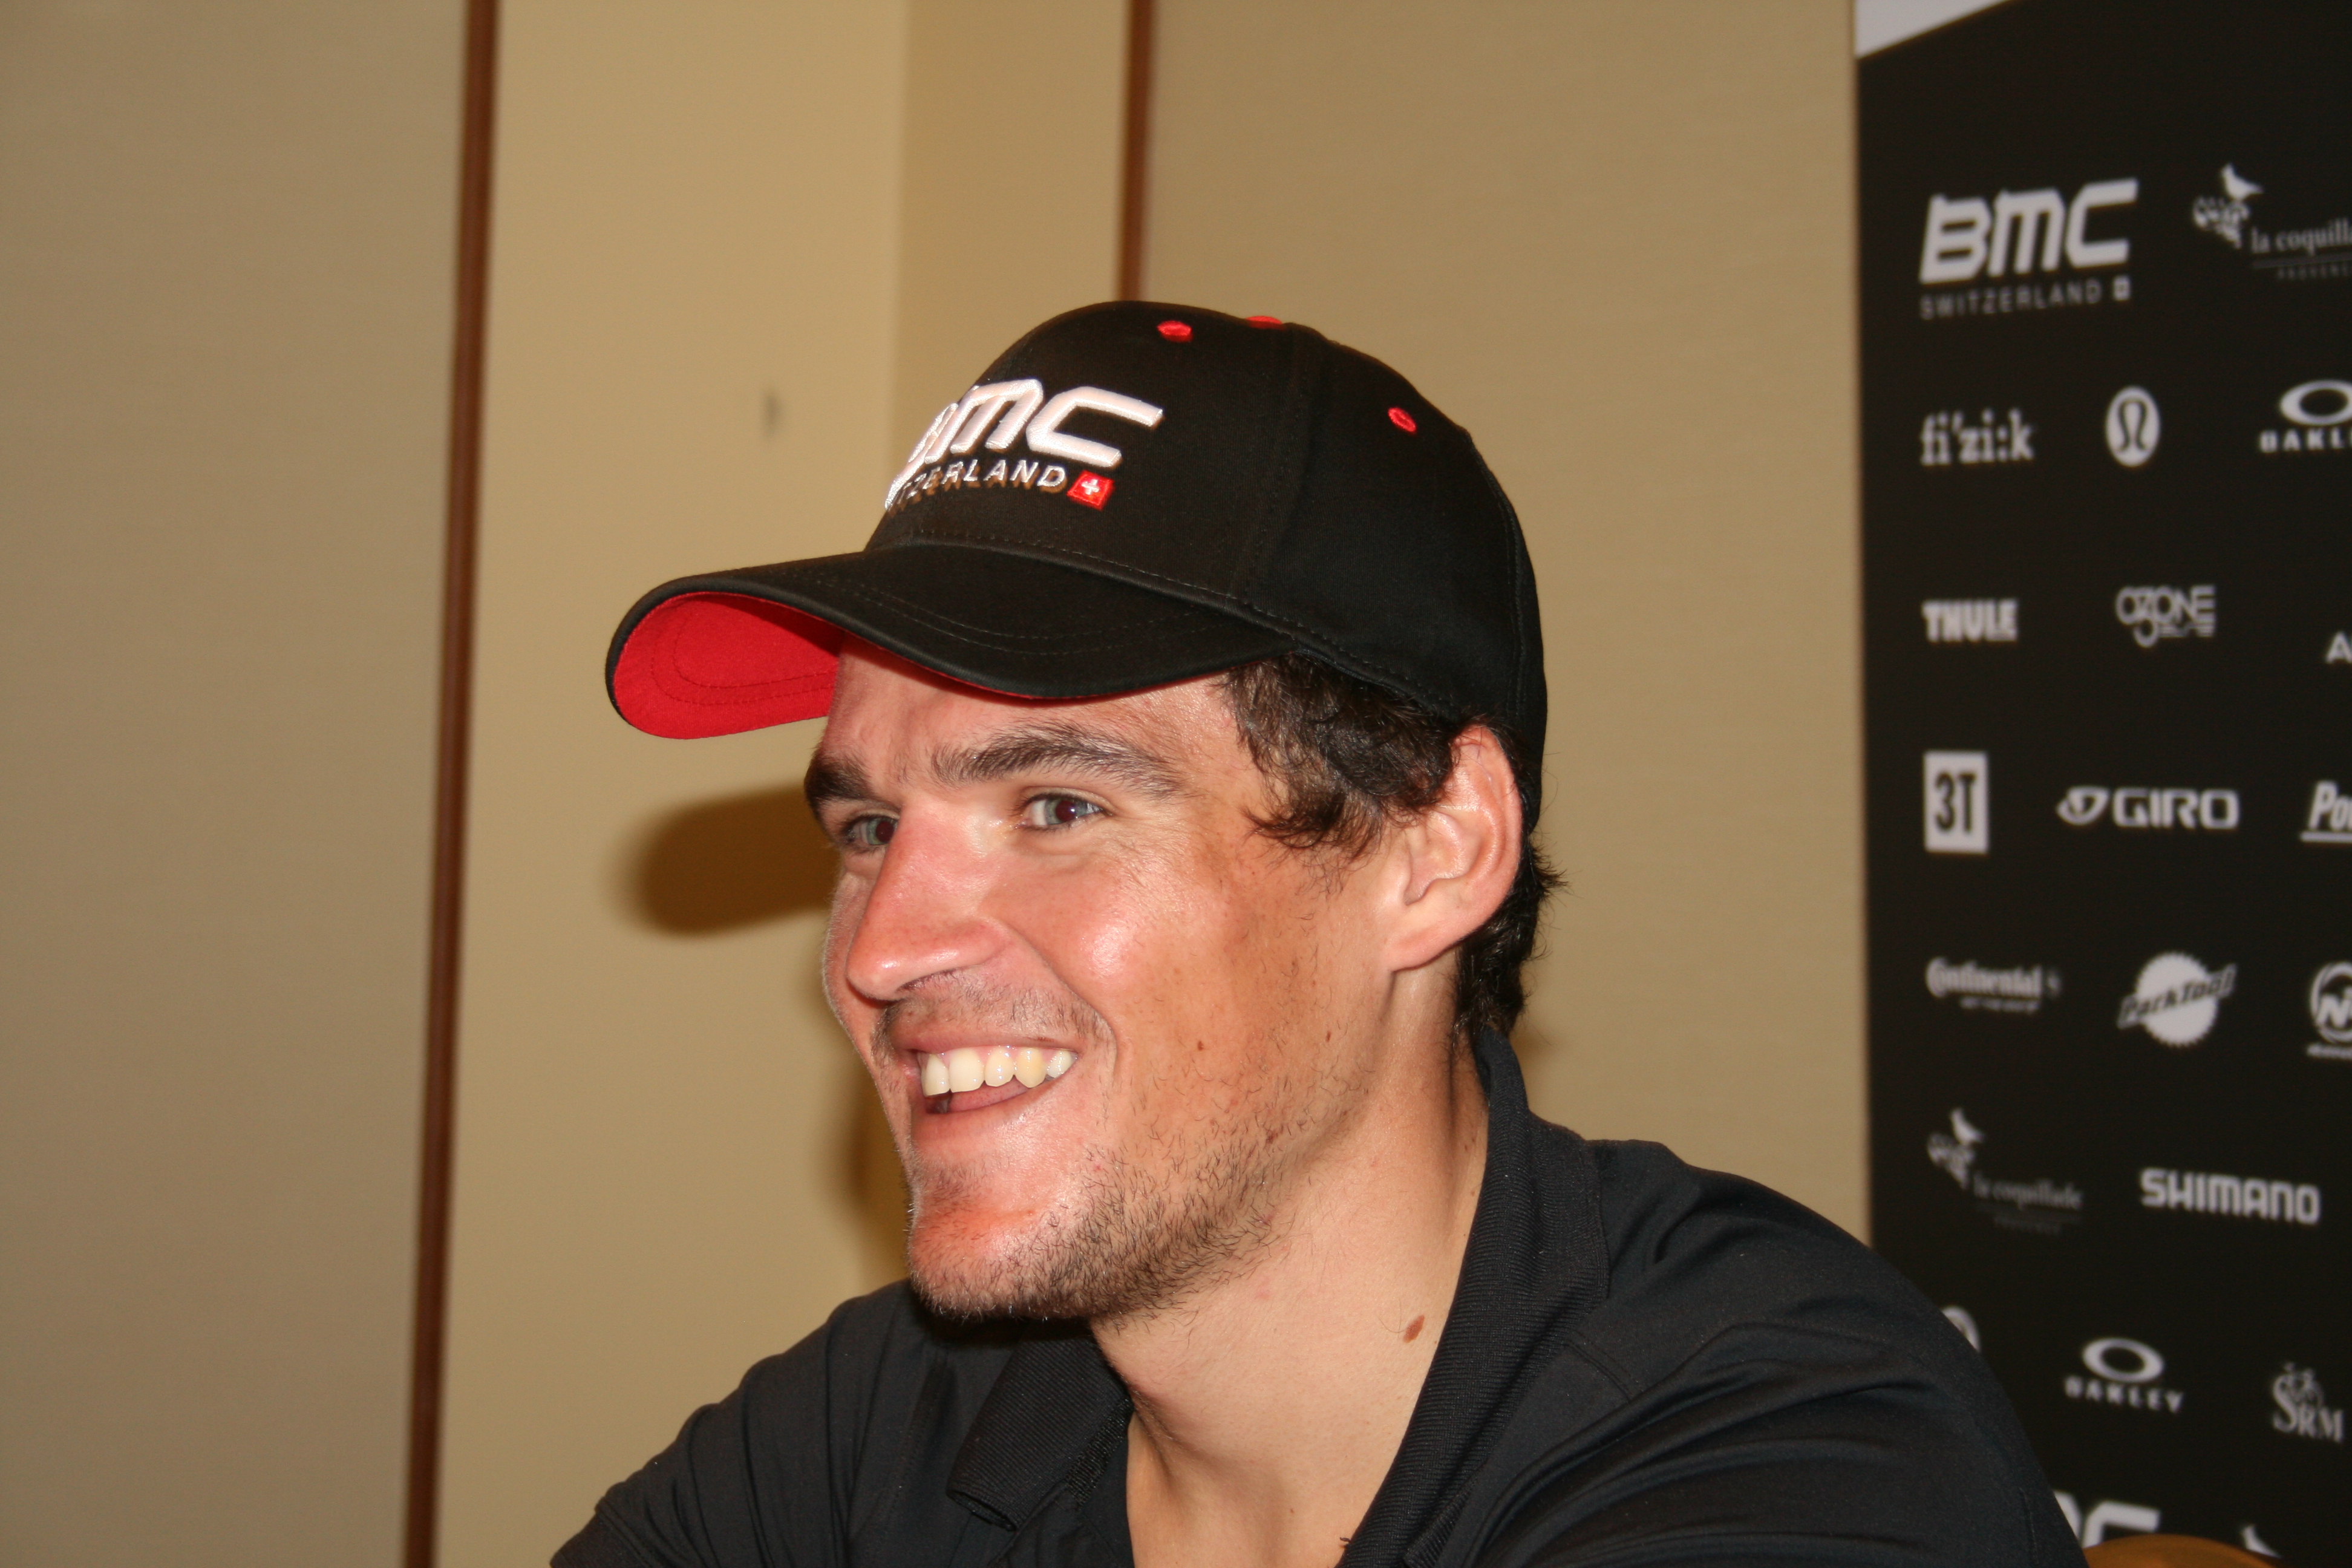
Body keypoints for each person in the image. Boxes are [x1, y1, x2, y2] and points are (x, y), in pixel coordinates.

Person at [559, 302, 2077, 1568]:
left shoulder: (1790, 1460)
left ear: (1434, 848)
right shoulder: (888, 1426)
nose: (879, 953)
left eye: (1059, 808)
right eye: (869, 831)